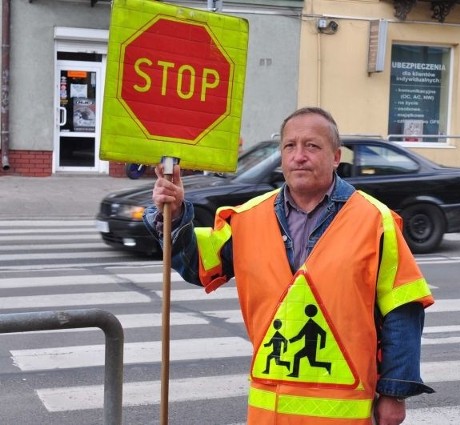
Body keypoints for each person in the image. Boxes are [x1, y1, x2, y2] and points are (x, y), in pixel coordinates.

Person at [143, 107, 435, 425]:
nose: (299, 156)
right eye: (289, 146)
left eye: (312, 146)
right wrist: (174, 212)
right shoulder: (246, 218)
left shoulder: (375, 221)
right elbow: (197, 266)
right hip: (270, 413)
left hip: (343, 413)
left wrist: (393, 394)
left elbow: (403, 312)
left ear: (336, 156)